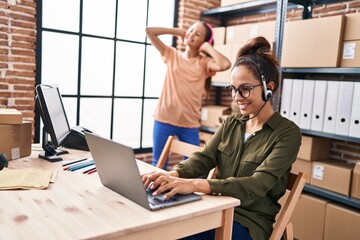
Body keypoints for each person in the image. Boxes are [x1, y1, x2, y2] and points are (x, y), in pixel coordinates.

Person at [142, 36, 302, 240]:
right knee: (159, 224)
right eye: (234, 89)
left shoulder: (287, 133)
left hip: (248, 222)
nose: (236, 97)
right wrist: (174, 175)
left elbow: (257, 183)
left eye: (245, 89)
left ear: (269, 87)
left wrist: (194, 185)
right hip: (214, 209)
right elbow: (204, 158)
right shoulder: (231, 123)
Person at [146, 21, 231, 169]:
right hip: (164, 120)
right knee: (158, 165)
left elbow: (225, 64)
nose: (191, 34)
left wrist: (208, 48)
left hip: (190, 125)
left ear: (204, 42)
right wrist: (177, 31)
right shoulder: (172, 54)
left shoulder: (205, 63)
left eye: (197, 34)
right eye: (190, 31)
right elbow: (149, 31)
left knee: (192, 168)